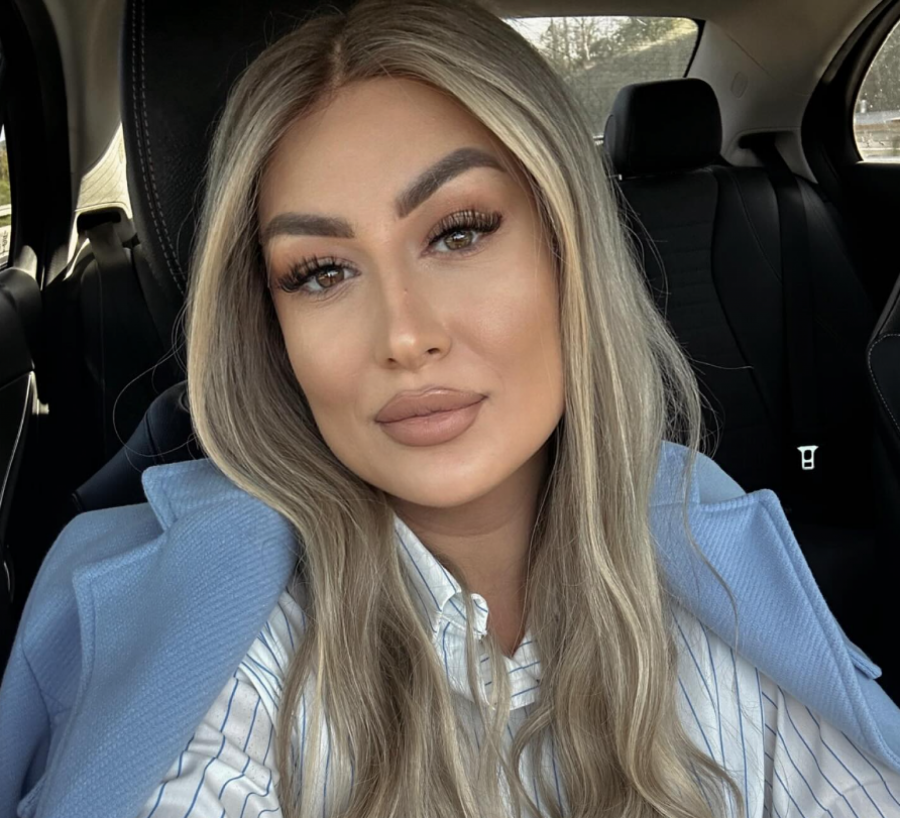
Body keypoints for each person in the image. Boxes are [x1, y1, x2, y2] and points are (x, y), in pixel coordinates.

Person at [1, 0, 900, 816]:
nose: (404, 335)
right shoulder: (220, 636)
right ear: (271, 330)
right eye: (320, 272)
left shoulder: (707, 543)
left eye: (458, 232)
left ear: (569, 247)